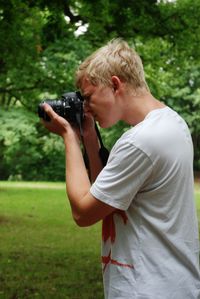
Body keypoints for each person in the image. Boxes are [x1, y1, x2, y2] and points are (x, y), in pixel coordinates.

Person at [41, 38, 200, 299]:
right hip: (173, 282)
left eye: (89, 97)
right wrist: (89, 138)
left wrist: (69, 136)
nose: (86, 107)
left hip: (148, 289)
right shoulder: (172, 123)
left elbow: (84, 213)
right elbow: (106, 195)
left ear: (115, 85)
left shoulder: (141, 142)